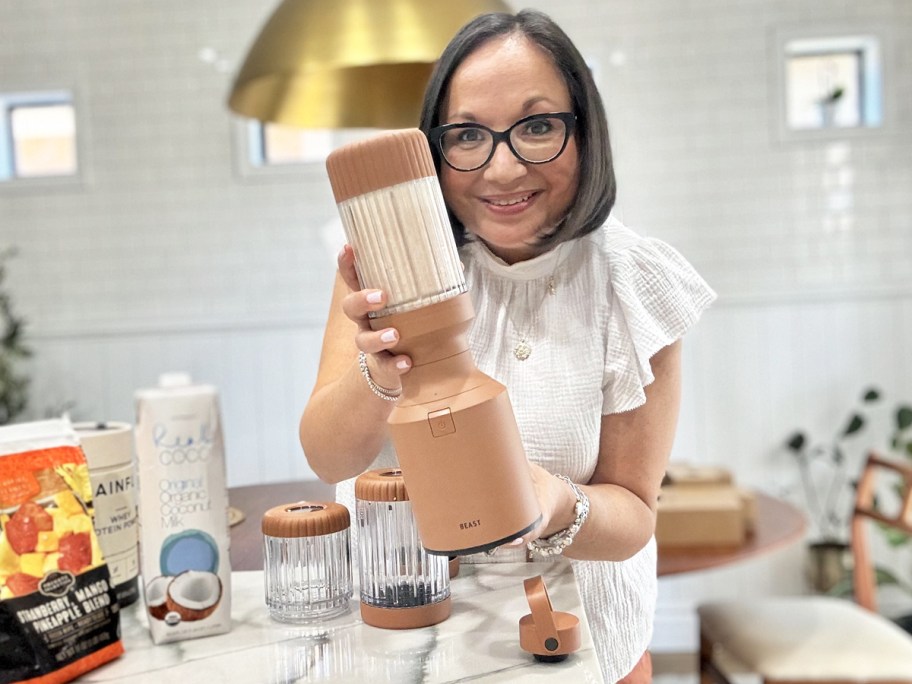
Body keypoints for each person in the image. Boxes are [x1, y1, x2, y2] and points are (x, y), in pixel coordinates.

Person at [300, 9, 715, 683]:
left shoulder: (635, 284)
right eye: (467, 135)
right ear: (436, 149)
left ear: (585, 130)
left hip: (581, 648)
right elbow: (328, 456)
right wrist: (378, 374)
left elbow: (634, 514)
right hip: (409, 641)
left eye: (538, 126)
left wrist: (555, 503)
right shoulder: (388, 264)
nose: (501, 168)